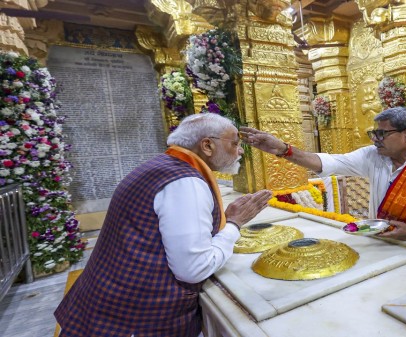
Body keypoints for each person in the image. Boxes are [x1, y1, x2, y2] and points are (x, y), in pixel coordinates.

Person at [55, 113, 272, 337]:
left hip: (104, 307)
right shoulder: (184, 183)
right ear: (207, 145)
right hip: (134, 320)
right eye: (235, 143)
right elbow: (194, 268)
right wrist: (235, 224)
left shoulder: (163, 166)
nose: (240, 151)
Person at [240, 106, 406, 242]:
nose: (375, 140)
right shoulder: (372, 155)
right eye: (373, 133)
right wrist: (283, 149)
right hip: (386, 242)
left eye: (382, 134)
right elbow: (330, 162)